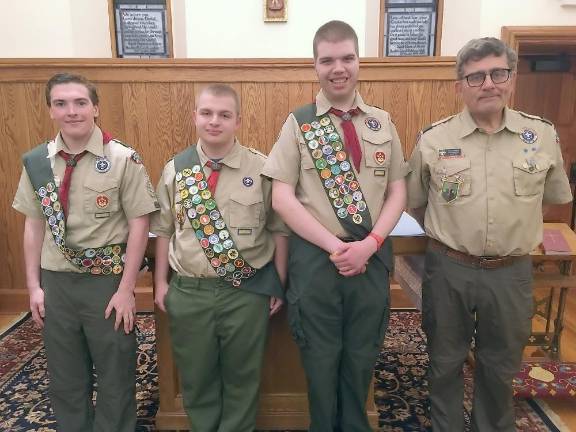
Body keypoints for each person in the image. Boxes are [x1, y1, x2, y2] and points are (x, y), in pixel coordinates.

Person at [407, 37, 573, 431]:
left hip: (511, 271)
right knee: (445, 363)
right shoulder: (435, 139)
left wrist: (510, 235)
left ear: (511, 79)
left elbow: (549, 201)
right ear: (459, 85)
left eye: (498, 73)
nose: (488, 84)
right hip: (450, 268)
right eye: (476, 76)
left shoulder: (541, 135)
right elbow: (416, 203)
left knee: (500, 368)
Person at [262, 20, 408, 432]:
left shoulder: (383, 122)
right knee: (320, 362)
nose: (338, 68)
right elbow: (282, 198)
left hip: (371, 258)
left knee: (361, 359)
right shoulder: (299, 123)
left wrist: (371, 243)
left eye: (347, 57)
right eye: (327, 60)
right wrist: (335, 246)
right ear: (315, 66)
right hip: (317, 261)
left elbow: (398, 191)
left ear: (359, 61)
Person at [12, 72, 159, 431]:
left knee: (114, 369)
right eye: (61, 103)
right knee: (65, 374)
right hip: (57, 281)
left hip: (106, 282)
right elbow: (33, 226)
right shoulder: (37, 162)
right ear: (50, 110)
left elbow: (140, 224)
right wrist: (34, 286)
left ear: (95, 107)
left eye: (80, 103)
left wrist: (127, 290)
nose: (71, 111)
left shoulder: (123, 158)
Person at [151, 84, 288, 432]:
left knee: (243, 377)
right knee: (196, 378)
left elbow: (279, 228)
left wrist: (280, 281)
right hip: (190, 291)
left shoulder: (261, 168)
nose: (215, 121)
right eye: (207, 113)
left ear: (238, 120)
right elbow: (164, 230)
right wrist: (160, 285)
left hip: (246, 291)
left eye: (224, 115)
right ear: (195, 116)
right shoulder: (175, 170)